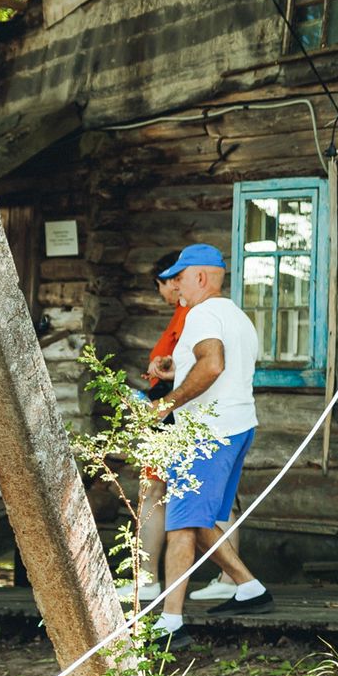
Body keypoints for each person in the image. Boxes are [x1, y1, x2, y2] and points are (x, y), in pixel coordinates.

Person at [151, 244, 270, 649]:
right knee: (198, 517)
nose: (176, 286)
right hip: (237, 426)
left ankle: (170, 622)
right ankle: (249, 586)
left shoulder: (201, 313)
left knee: (182, 522)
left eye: (180, 277)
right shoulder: (237, 316)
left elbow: (213, 364)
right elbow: (218, 365)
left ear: (200, 278)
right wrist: (176, 369)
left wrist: (165, 402)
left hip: (207, 433)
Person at [116, 251, 188, 602]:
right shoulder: (183, 314)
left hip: (173, 413)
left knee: (153, 492)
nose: (162, 292)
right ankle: (147, 578)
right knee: (157, 492)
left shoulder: (194, 313)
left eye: (160, 285)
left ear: (173, 280)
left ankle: (147, 579)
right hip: (168, 409)